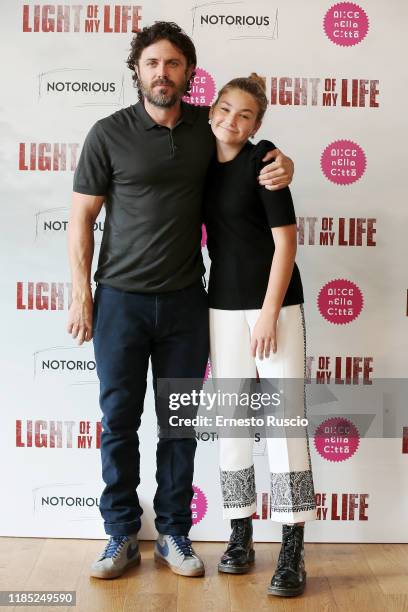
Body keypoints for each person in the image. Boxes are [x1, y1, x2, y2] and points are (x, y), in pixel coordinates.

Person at [67, 22, 294, 580]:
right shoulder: (107, 133)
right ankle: (120, 533)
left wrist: (282, 162)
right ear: (137, 70)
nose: (162, 73)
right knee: (117, 420)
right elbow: (82, 219)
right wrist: (81, 295)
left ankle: (173, 531)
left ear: (189, 73)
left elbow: (253, 152)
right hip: (119, 300)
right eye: (152, 63)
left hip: (188, 303)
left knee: (180, 424)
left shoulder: (207, 128)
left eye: (173, 63)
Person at [203, 74, 317, 596]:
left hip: (276, 307)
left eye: (244, 115)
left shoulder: (265, 161)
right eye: (225, 109)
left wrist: (269, 312)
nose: (232, 120)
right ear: (211, 111)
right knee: (231, 423)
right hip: (221, 307)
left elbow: (286, 241)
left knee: (283, 423)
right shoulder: (198, 161)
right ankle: (239, 533)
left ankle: (292, 547)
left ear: (258, 124)